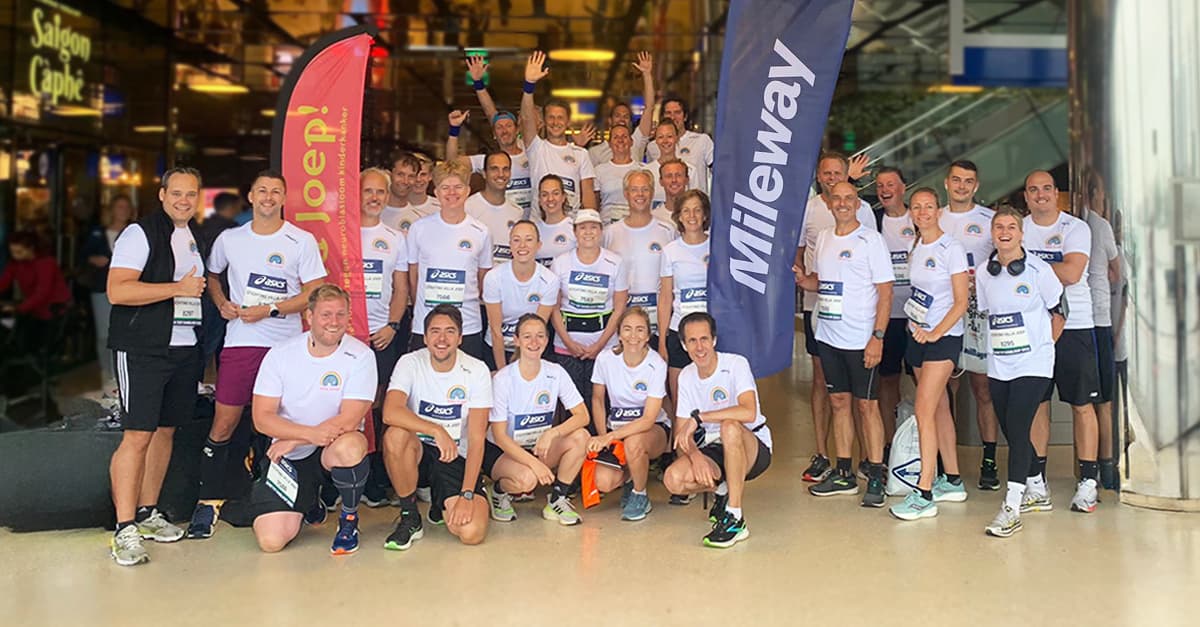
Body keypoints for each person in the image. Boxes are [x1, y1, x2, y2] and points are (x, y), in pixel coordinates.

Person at [187, 170, 327, 540]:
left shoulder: (301, 240)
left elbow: (315, 293)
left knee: (286, 424)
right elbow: (212, 276)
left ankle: (297, 496)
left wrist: (272, 310)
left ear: (284, 198)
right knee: (224, 422)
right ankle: (208, 502)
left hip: (286, 347)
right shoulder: (230, 239)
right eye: (262, 191)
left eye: (275, 191)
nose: (268, 197)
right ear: (250, 196)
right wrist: (219, 302)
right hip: (240, 343)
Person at [105, 166, 208, 566]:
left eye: (191, 194)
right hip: (143, 348)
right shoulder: (140, 233)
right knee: (137, 436)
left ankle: (148, 513)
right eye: (177, 193)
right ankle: (124, 527)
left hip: (183, 347)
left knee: (164, 432)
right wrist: (177, 289)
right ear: (162, 194)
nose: (184, 200)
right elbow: (118, 290)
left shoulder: (192, 237)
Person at [244, 285, 376, 554]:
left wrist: (295, 437)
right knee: (271, 542)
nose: (334, 322)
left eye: (341, 314)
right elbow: (262, 418)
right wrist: (305, 437)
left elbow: (350, 419)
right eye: (326, 315)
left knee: (351, 446)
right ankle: (310, 502)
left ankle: (348, 520)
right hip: (292, 456)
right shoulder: (280, 354)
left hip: (331, 448)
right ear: (309, 316)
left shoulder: (361, 356)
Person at [795, 182, 894, 507]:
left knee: (867, 406)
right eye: (836, 198)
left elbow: (885, 292)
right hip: (828, 336)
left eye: (848, 199)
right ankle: (843, 473)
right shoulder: (823, 238)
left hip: (861, 339)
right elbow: (822, 283)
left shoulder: (871, 240)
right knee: (838, 403)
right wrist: (802, 279)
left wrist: (877, 337)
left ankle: (876, 475)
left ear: (857, 204)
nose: (842, 204)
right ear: (829, 203)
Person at [975, 209, 1065, 537]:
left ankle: (1012, 507)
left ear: (1021, 233)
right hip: (1000, 364)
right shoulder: (985, 273)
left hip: (1034, 364)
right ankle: (1037, 487)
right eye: (999, 227)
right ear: (992, 232)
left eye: (1011, 226)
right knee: (1013, 432)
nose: (1005, 232)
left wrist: (1044, 348)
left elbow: (1059, 312)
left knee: (1018, 425)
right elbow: (988, 314)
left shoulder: (1039, 270)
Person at [381, 304, 493, 549]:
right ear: (425, 336)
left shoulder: (477, 370)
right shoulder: (409, 362)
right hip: (418, 452)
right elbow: (390, 411)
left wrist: (466, 495)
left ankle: (440, 502)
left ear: (461, 338)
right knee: (395, 436)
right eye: (435, 331)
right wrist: (435, 429)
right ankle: (410, 517)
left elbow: (476, 439)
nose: (442, 339)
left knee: (471, 533)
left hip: (455, 456)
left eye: (450, 331)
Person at [1022, 170, 1102, 514]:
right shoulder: (1018, 227)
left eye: (1046, 189)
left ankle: (1087, 483)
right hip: (1032, 328)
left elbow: (1071, 274)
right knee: (1037, 404)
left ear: (1057, 194)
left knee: (1082, 404)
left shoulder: (1075, 228)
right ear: (1025, 196)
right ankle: (1036, 482)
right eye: (1033, 190)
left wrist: (1025, 263)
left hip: (1075, 326)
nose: (1040, 195)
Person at [889, 187, 970, 521]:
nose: (922, 212)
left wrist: (937, 331)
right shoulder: (917, 245)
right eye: (917, 207)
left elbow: (961, 300)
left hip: (943, 339)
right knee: (937, 409)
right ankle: (951, 480)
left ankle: (923, 492)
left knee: (923, 410)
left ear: (939, 211)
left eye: (929, 207)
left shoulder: (951, 247)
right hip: (917, 336)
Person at [661, 312, 772, 548]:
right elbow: (682, 434)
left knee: (730, 426)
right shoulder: (687, 376)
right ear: (683, 345)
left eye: (704, 339)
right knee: (673, 479)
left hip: (752, 446)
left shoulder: (735, 364)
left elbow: (748, 412)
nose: (699, 347)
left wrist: (700, 417)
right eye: (692, 341)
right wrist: (696, 456)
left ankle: (735, 517)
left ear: (714, 340)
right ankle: (722, 488)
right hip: (714, 448)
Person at [488, 313, 590, 524]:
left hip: (537, 446)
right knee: (527, 480)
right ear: (516, 341)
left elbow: (583, 416)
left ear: (546, 340)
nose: (534, 342)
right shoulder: (504, 379)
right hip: (503, 450)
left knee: (581, 437)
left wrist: (553, 432)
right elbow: (499, 436)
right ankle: (497, 492)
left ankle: (557, 500)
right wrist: (535, 465)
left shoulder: (556, 372)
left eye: (540, 336)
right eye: (527, 336)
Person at [939, 160, 1001, 491]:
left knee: (982, 387)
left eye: (969, 181)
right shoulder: (932, 217)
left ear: (976, 186)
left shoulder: (989, 221)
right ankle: (943, 461)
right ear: (946, 183)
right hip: (942, 311)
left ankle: (989, 458)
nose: (962, 186)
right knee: (944, 385)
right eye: (957, 180)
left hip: (978, 313)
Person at [358, 167, 411, 507]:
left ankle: (375, 478)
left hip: (380, 337)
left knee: (376, 407)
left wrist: (392, 326)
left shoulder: (395, 238)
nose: (375, 198)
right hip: (344, 337)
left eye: (381, 192)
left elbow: (401, 289)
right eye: (368, 191)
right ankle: (343, 477)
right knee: (346, 405)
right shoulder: (340, 234)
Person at [587, 307, 671, 520]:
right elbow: (597, 399)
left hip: (652, 431)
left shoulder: (656, 365)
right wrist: (602, 435)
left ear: (648, 336)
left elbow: (649, 419)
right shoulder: (605, 359)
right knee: (603, 481)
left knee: (634, 443)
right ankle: (631, 478)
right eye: (627, 329)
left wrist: (610, 436)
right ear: (618, 333)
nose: (633, 336)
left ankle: (640, 494)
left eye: (640, 330)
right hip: (615, 431)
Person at [406, 159, 493, 361]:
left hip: (468, 325)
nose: (451, 193)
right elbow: (413, 278)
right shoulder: (419, 229)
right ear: (435, 192)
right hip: (426, 325)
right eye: (445, 187)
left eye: (458, 187)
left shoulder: (481, 231)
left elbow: (483, 280)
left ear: (468, 191)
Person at [550, 208, 629, 409]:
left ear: (601, 231)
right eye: (583, 227)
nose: (588, 232)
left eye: (593, 227)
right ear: (575, 232)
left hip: (604, 346)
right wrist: (568, 343)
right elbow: (554, 307)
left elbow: (619, 309)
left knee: (602, 404)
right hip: (567, 346)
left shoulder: (615, 262)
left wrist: (599, 345)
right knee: (572, 407)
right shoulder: (560, 263)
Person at [450, 55, 533, 213]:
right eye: (499, 128)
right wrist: (454, 131)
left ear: (517, 130)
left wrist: (530, 84)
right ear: (494, 134)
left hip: (530, 228)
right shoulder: (487, 161)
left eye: (509, 126)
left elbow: (494, 114)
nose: (504, 130)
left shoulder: (532, 152)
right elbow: (452, 161)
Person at [603, 169, 677, 345]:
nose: (640, 194)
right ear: (626, 193)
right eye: (634, 189)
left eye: (645, 189)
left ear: (652, 192)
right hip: (623, 319)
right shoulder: (610, 233)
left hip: (658, 320)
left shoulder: (667, 230)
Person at [520, 51, 597, 216]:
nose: (555, 122)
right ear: (544, 121)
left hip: (570, 228)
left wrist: (589, 223)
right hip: (539, 227)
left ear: (568, 122)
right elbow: (527, 118)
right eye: (551, 118)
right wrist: (529, 86)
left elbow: (588, 194)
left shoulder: (581, 154)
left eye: (560, 118)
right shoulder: (537, 148)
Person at [1082, 170, 1121, 490]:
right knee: (1102, 400)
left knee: (1086, 400)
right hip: (1098, 319)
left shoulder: (1076, 225)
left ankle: (1092, 469)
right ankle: (1106, 469)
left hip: (1082, 321)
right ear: (1095, 195)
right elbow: (1117, 271)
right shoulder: (1100, 225)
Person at [874, 167, 915, 461]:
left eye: (891, 184)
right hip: (886, 316)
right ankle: (891, 445)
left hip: (919, 317)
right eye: (880, 185)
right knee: (887, 381)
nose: (885, 189)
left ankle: (927, 445)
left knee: (925, 382)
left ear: (903, 188)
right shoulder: (873, 222)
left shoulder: (921, 216)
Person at [482, 220, 559, 370]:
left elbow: (537, 330)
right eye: (516, 240)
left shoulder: (550, 280)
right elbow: (495, 331)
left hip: (532, 348)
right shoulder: (493, 277)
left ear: (539, 245)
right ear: (510, 245)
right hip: (497, 348)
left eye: (529, 240)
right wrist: (503, 371)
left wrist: (518, 370)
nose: (522, 245)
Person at [657, 190, 710, 401]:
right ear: (678, 216)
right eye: (686, 211)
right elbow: (665, 298)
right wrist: (662, 341)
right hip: (679, 329)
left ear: (705, 215)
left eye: (697, 210)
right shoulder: (670, 251)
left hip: (710, 330)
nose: (692, 216)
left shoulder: (717, 245)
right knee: (681, 401)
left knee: (709, 397)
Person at [79, 195, 134, 391]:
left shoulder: (135, 232)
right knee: (104, 334)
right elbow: (83, 255)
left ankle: (125, 375)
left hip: (130, 289)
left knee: (127, 332)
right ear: (111, 209)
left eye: (126, 207)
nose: (123, 210)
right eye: (119, 206)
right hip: (102, 286)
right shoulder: (97, 233)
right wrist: (94, 259)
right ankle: (108, 376)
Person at [196, 192, 240, 372]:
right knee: (222, 341)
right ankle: (220, 385)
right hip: (225, 293)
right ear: (231, 207)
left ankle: (195, 383)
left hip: (202, 289)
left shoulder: (201, 228)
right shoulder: (233, 231)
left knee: (204, 340)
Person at [1, 230, 71, 335]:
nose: (15, 255)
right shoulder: (15, 263)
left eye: (19, 252)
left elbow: (42, 292)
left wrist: (19, 308)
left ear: (31, 248)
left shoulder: (46, 263)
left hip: (55, 311)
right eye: (12, 252)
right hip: (35, 310)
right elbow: (4, 283)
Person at [461, 148, 523, 266]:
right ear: (484, 173)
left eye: (505, 169)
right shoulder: (468, 207)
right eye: (494, 169)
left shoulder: (517, 212)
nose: (501, 174)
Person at [645, 97, 714, 194]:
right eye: (668, 113)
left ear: (685, 116)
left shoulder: (702, 140)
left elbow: (719, 172)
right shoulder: (652, 147)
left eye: (677, 112)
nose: (672, 117)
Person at [593, 124, 648, 224]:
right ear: (609, 143)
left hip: (636, 225)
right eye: (616, 137)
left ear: (631, 142)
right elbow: (595, 205)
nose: (620, 140)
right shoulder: (599, 170)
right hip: (607, 227)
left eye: (624, 137)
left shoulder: (643, 169)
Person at [647, 120, 703, 210]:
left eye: (669, 136)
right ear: (656, 140)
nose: (665, 141)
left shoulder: (691, 170)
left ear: (677, 138)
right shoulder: (647, 171)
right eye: (661, 137)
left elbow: (696, 202)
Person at [382, 152, 438, 234]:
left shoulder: (421, 219)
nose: (405, 181)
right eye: (400, 174)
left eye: (411, 176)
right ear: (389, 174)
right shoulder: (373, 213)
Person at [534, 175, 577, 267]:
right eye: (545, 195)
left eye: (555, 193)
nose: (550, 199)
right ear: (540, 199)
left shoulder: (575, 228)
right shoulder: (533, 231)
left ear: (563, 197)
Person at [654, 159, 690, 225]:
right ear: (661, 181)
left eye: (678, 175)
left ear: (687, 180)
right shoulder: (653, 218)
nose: (674, 180)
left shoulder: (697, 217)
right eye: (669, 176)